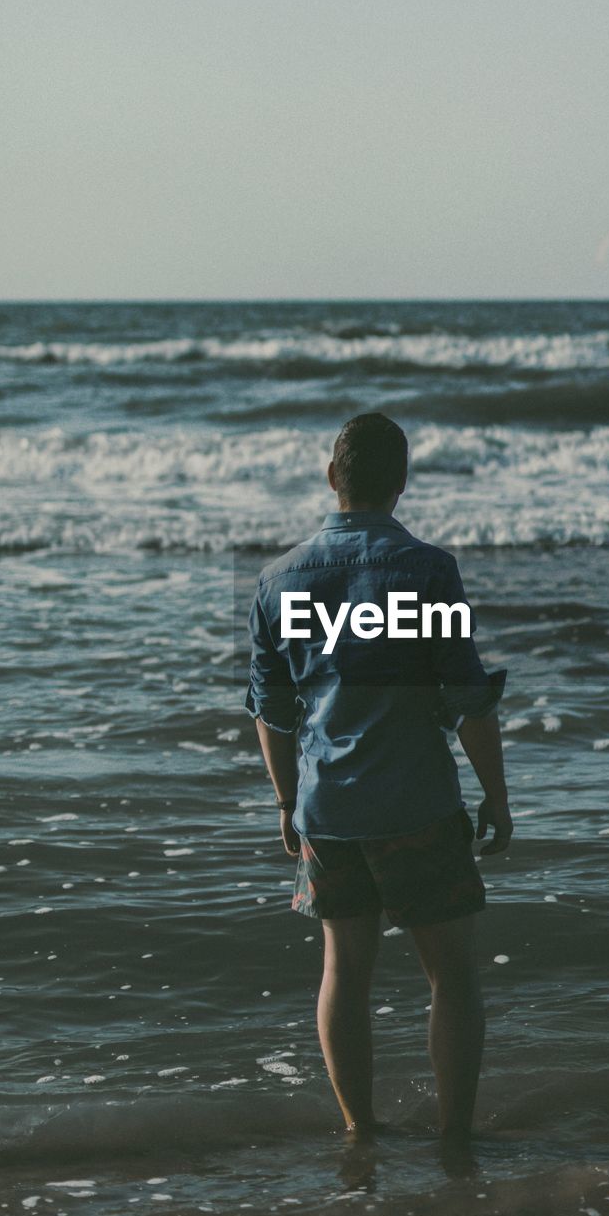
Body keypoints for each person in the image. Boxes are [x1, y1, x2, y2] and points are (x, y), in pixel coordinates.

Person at [245, 412, 513, 1147]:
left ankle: (360, 1127)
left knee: (344, 969)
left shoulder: (278, 581)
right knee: (450, 974)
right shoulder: (426, 570)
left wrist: (283, 801)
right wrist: (496, 794)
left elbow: (270, 713)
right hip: (417, 801)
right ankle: (454, 1131)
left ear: (333, 477)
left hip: (327, 805)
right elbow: (464, 698)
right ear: (401, 484)